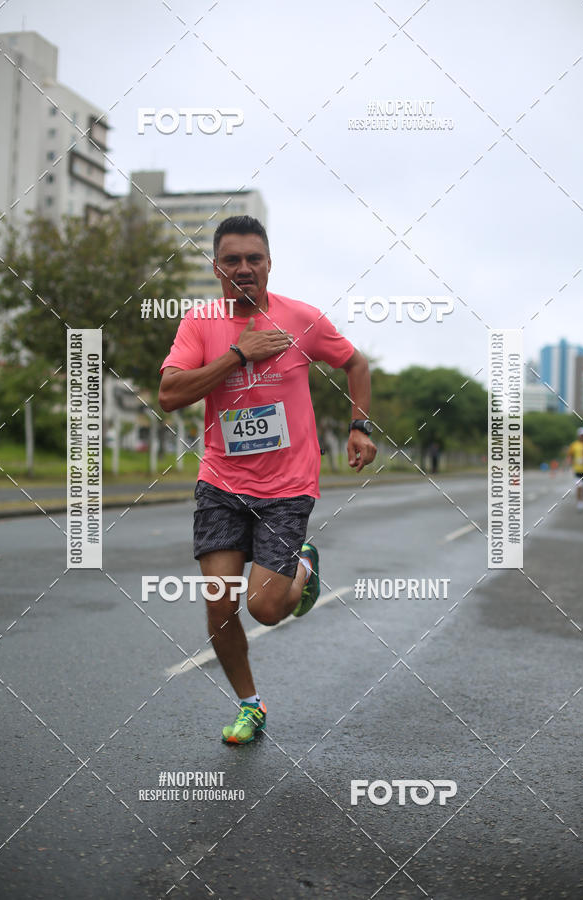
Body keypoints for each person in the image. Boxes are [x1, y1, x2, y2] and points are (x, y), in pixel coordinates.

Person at [158, 216, 377, 744]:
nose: (243, 268)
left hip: (286, 487)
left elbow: (356, 364)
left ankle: (304, 564)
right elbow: (169, 394)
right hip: (221, 481)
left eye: (253, 259)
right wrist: (239, 354)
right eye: (231, 260)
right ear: (216, 268)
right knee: (219, 602)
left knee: (266, 609)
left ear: (269, 264)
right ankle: (250, 705)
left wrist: (360, 426)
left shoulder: (300, 318)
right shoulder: (200, 323)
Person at [566, 427, 583, 511]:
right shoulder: (574, 445)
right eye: (581, 435)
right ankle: (580, 503)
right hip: (578, 470)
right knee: (579, 486)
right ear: (578, 436)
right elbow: (570, 455)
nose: (582, 437)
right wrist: (569, 461)